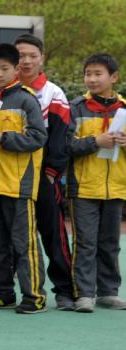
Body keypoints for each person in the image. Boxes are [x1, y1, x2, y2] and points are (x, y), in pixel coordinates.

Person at [0, 43, 48, 314]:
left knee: (25, 243)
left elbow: (39, 137)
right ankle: (3, 292)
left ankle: (34, 296)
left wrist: (3, 138)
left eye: (4, 68)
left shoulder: (27, 99)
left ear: (16, 70)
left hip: (19, 186)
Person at [15, 34, 76, 310]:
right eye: (20, 56)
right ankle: (4, 287)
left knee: (53, 234)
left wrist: (51, 171)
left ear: (42, 59)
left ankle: (65, 290)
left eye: (31, 55)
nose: (25, 61)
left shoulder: (53, 93)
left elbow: (61, 138)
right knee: (10, 235)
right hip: (10, 179)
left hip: (43, 177)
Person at [66, 53, 126, 312]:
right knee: (85, 242)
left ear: (114, 77)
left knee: (110, 242)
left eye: (98, 73)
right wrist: (95, 142)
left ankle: (108, 292)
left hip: (116, 187)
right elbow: (65, 146)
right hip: (84, 188)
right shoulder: (76, 108)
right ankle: (84, 293)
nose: (91, 79)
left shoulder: (124, 109)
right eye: (88, 73)